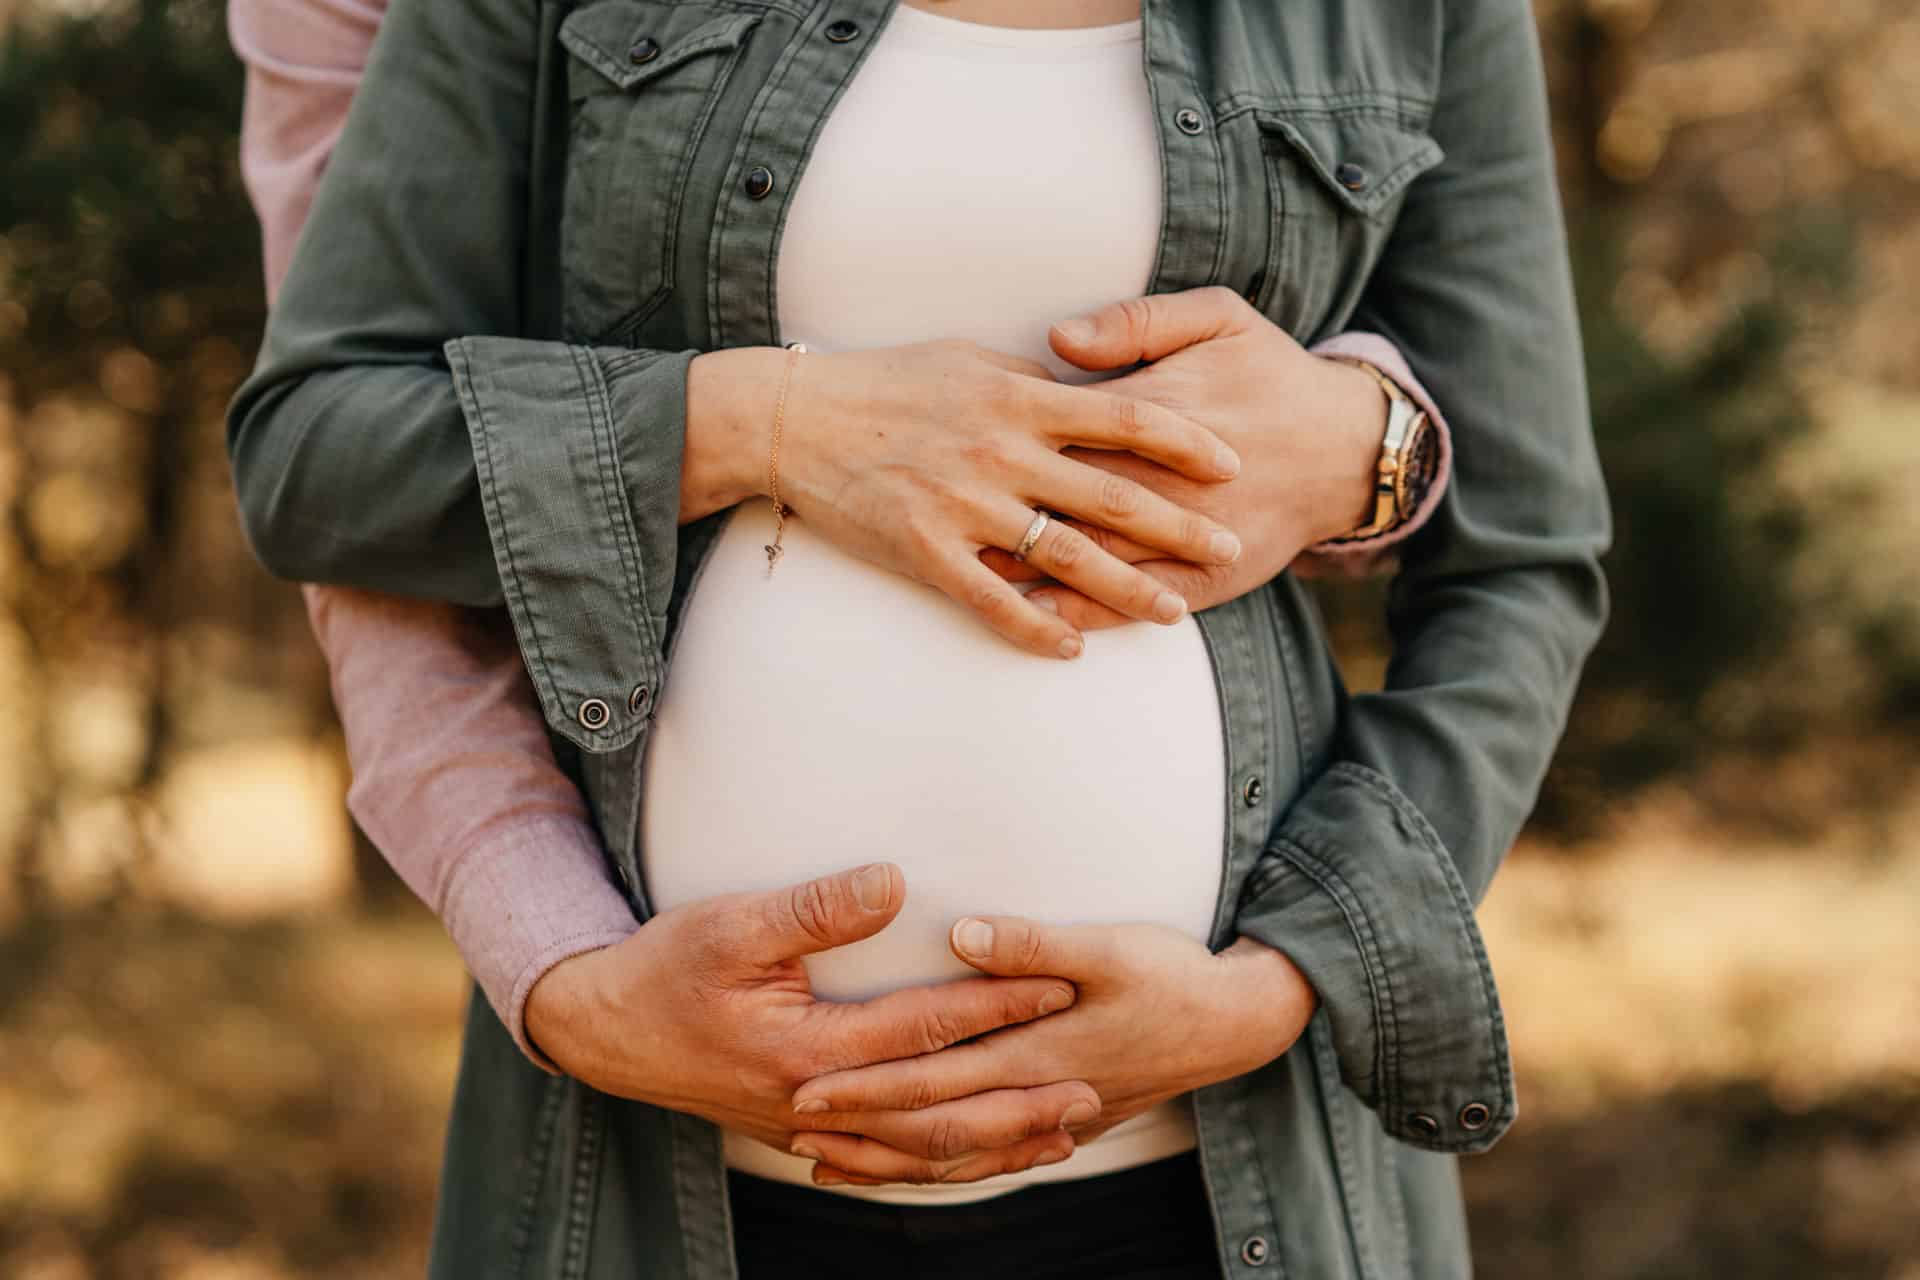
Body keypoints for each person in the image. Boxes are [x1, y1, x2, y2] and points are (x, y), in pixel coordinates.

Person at [226, 0, 1610, 1276]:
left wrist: (1288, 980)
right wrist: (765, 422)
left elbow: (1521, 561)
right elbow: (316, 456)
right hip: (664, 1171)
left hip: (1226, 1167)